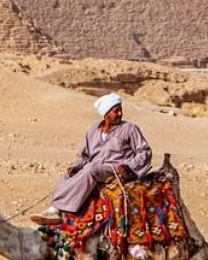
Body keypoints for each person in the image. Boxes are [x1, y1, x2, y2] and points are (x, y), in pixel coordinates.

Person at [30, 92, 152, 225]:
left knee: (91, 169)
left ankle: (55, 209)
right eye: (116, 111)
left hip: (115, 170)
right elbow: (84, 155)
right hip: (95, 168)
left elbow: (144, 152)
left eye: (120, 110)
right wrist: (77, 166)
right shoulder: (93, 130)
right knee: (68, 175)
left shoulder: (129, 129)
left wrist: (128, 166)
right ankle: (60, 212)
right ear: (106, 113)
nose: (120, 114)